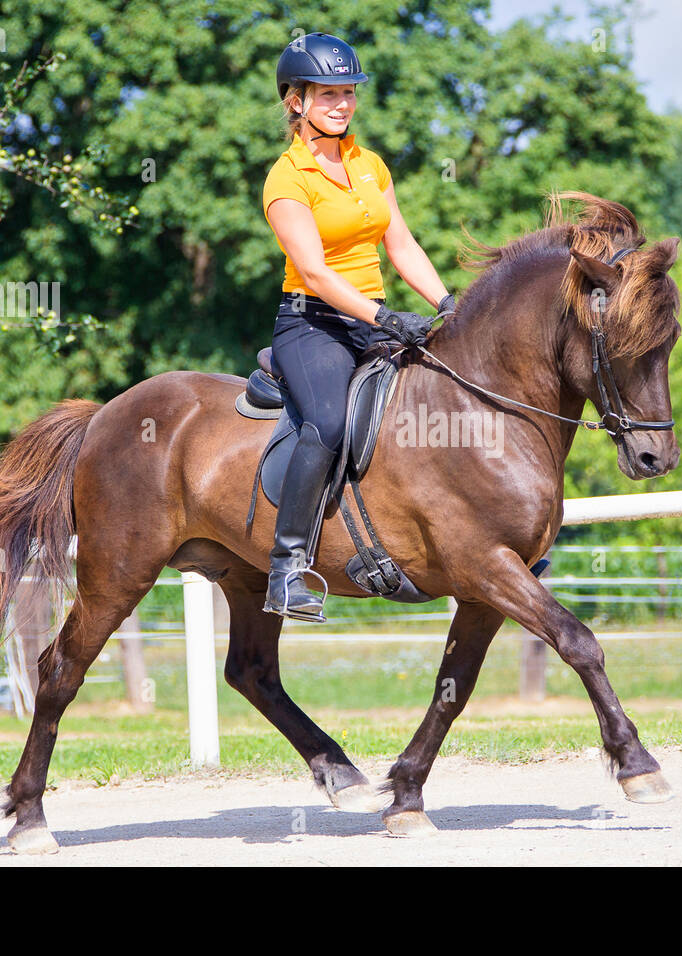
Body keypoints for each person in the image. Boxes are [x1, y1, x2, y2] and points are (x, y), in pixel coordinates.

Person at [261, 32, 456, 621]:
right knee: (324, 422)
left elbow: (402, 243)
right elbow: (316, 274)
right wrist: (386, 315)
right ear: (296, 101)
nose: (343, 104)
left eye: (348, 93)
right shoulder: (286, 179)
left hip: (373, 320)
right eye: (328, 95)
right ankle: (287, 568)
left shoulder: (369, 165)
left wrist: (448, 302)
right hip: (313, 325)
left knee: (448, 397)